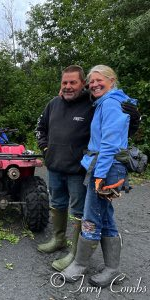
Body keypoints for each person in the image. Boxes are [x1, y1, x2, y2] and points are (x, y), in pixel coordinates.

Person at [35, 65, 140, 272]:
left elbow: (118, 130)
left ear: (82, 84)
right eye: (64, 83)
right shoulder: (53, 104)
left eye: (73, 82)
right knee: (57, 202)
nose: (68, 86)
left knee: (79, 211)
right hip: (55, 166)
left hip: (79, 170)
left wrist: (134, 118)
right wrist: (46, 148)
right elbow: (40, 127)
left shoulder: (94, 103)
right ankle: (58, 240)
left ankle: (75, 253)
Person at [61, 65, 136, 287]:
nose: (93, 84)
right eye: (91, 82)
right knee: (105, 215)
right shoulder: (106, 102)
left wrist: (99, 176)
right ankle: (112, 268)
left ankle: (80, 265)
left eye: (98, 80)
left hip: (106, 167)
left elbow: (110, 145)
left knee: (92, 216)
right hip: (104, 165)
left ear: (112, 80)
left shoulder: (111, 104)